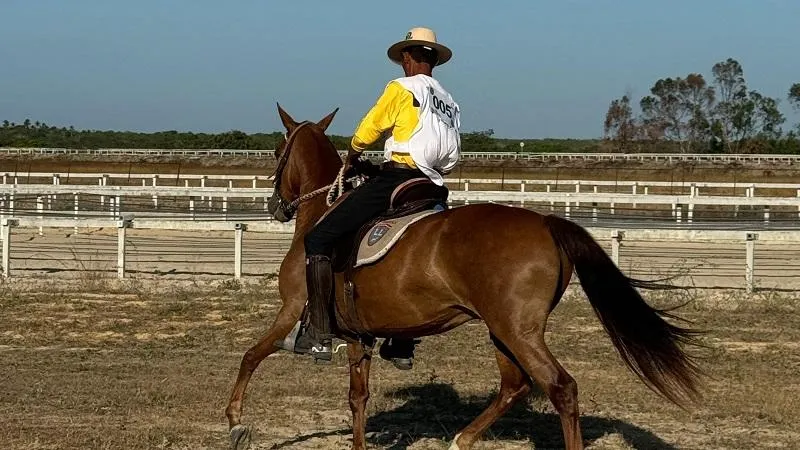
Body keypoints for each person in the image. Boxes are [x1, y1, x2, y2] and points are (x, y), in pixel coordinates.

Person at [278, 27, 461, 365]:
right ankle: (402, 342)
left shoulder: (401, 87)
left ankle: (318, 331)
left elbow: (370, 128)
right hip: (433, 185)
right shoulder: (449, 102)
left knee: (319, 238)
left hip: (398, 178)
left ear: (407, 58)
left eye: (404, 57)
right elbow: (450, 156)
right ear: (434, 60)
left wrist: (355, 151)